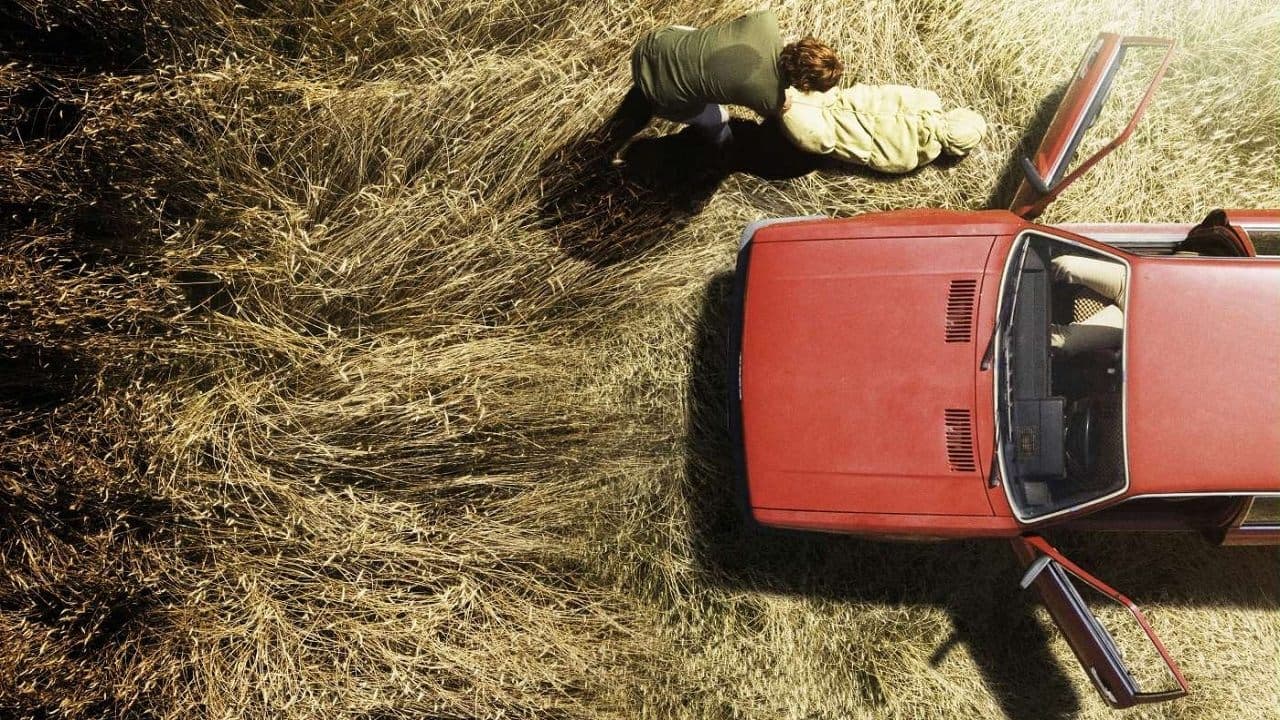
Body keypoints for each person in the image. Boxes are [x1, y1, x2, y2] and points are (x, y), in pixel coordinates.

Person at [606, 10, 843, 155]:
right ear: (805, 86)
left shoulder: (766, 20)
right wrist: (782, 101)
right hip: (659, 94)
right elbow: (773, 107)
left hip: (651, 45)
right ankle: (723, 154)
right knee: (719, 119)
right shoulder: (770, 100)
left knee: (696, 34)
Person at [779, 83, 986, 173]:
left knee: (791, 99)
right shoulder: (910, 160)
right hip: (820, 129)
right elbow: (864, 155)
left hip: (828, 103)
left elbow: (879, 92)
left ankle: (779, 99)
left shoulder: (928, 99)